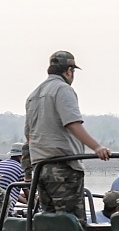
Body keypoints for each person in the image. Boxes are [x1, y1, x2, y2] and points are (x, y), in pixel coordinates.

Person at [25, 50, 111, 222]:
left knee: (49, 222)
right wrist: (97, 147)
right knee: (72, 224)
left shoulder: (33, 95)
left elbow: (29, 136)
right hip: (63, 168)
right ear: (69, 71)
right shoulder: (63, 89)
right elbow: (72, 123)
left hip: (41, 168)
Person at [0, 142, 26, 216]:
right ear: (22, 157)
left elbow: (5, 188)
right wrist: (34, 204)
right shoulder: (21, 168)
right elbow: (28, 192)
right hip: (3, 210)